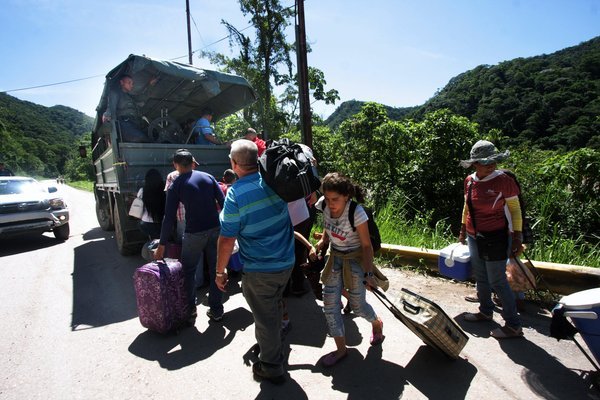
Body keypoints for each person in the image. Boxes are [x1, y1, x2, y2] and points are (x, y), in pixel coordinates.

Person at [215, 139, 295, 385]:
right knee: (273, 304)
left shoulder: (235, 194)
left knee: (265, 318)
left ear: (234, 163)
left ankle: (271, 366)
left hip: (261, 269)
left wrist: (220, 272)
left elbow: (227, 239)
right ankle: (276, 342)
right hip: (286, 261)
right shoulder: (274, 181)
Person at [314, 172, 384, 368]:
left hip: (354, 259)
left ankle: (376, 323)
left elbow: (367, 246)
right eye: (327, 198)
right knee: (330, 306)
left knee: (358, 305)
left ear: (346, 196)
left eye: (335, 199)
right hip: (335, 257)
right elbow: (328, 225)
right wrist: (323, 240)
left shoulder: (357, 212)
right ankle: (341, 350)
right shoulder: (324, 204)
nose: (331, 203)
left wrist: (369, 274)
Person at [459, 140, 524, 339]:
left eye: (493, 161)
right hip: (474, 235)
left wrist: (517, 237)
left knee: (497, 279)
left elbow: (515, 210)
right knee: (480, 274)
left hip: (496, 236)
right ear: (475, 163)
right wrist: (463, 228)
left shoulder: (504, 180)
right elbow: (467, 207)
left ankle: (513, 325)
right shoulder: (470, 180)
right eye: (485, 162)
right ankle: (485, 311)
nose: (491, 165)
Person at [154, 149, 225, 323]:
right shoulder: (208, 177)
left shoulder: (176, 184)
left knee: (188, 270)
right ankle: (216, 310)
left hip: (194, 233)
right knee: (217, 269)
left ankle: (191, 310)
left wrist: (162, 244)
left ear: (175, 165)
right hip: (216, 229)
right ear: (193, 162)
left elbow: (169, 217)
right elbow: (225, 203)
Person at [102, 74, 152, 143]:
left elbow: (142, 98)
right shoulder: (115, 93)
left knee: (153, 135)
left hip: (136, 124)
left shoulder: (131, 97)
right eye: (129, 82)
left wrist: (150, 85)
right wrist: (112, 134)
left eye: (132, 83)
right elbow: (111, 109)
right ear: (122, 82)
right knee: (141, 138)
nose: (132, 85)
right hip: (124, 124)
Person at [137, 169, 166, 239]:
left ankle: (152, 241)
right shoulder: (165, 190)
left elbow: (139, 207)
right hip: (163, 223)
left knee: (142, 225)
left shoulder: (142, 191)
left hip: (146, 225)